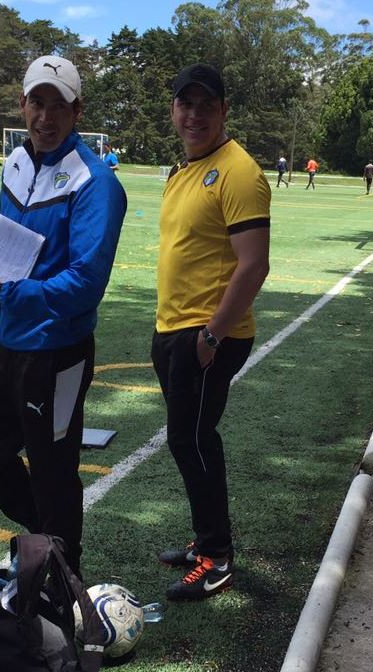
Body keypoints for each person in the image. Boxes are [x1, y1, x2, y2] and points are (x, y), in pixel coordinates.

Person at [0, 55, 127, 577]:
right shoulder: (14, 164)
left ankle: (62, 573)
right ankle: (48, 542)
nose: (45, 117)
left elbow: (85, 284)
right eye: (37, 102)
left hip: (57, 352)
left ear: (77, 111)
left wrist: (5, 293)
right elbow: (11, 249)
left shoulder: (96, 183)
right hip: (7, 339)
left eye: (58, 105)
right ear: (22, 104)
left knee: (54, 469)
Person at [153, 64, 270, 601]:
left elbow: (253, 266)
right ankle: (205, 541)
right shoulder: (184, 171)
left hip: (207, 334)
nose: (193, 114)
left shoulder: (238, 171)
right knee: (187, 440)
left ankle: (217, 557)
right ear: (174, 110)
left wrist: (211, 337)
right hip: (176, 329)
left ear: (223, 110)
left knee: (193, 440)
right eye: (185, 104)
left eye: (205, 104)